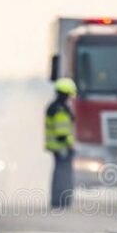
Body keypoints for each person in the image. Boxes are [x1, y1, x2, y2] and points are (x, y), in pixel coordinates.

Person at [45, 78, 77, 208]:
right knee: (64, 175)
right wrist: (70, 145)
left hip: (55, 147)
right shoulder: (61, 110)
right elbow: (62, 133)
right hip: (62, 147)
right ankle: (62, 200)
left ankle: (57, 199)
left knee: (58, 174)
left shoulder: (53, 107)